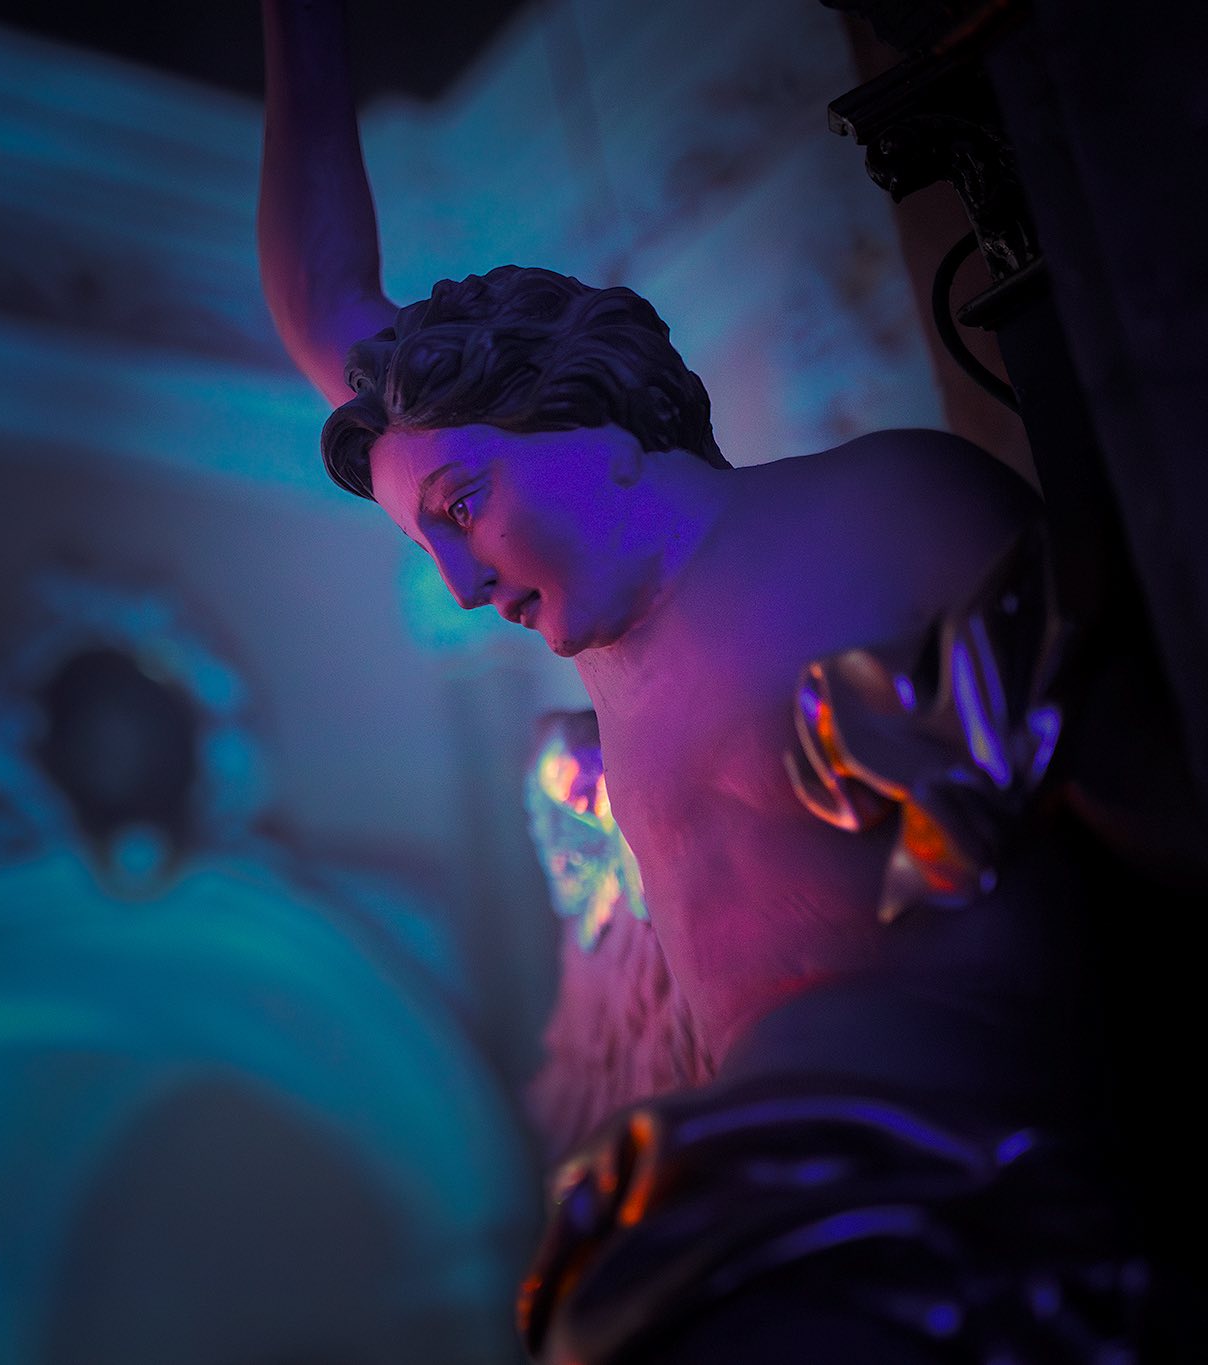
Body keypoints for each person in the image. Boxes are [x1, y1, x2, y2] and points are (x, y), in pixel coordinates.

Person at [259, 3, 1159, 1359]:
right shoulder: (597, 696)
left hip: (951, 1188)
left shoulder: (879, 507)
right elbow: (324, 304)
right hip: (716, 1213)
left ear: (591, 424)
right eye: (423, 542)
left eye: (463, 506)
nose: (457, 582)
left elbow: (1136, 766)